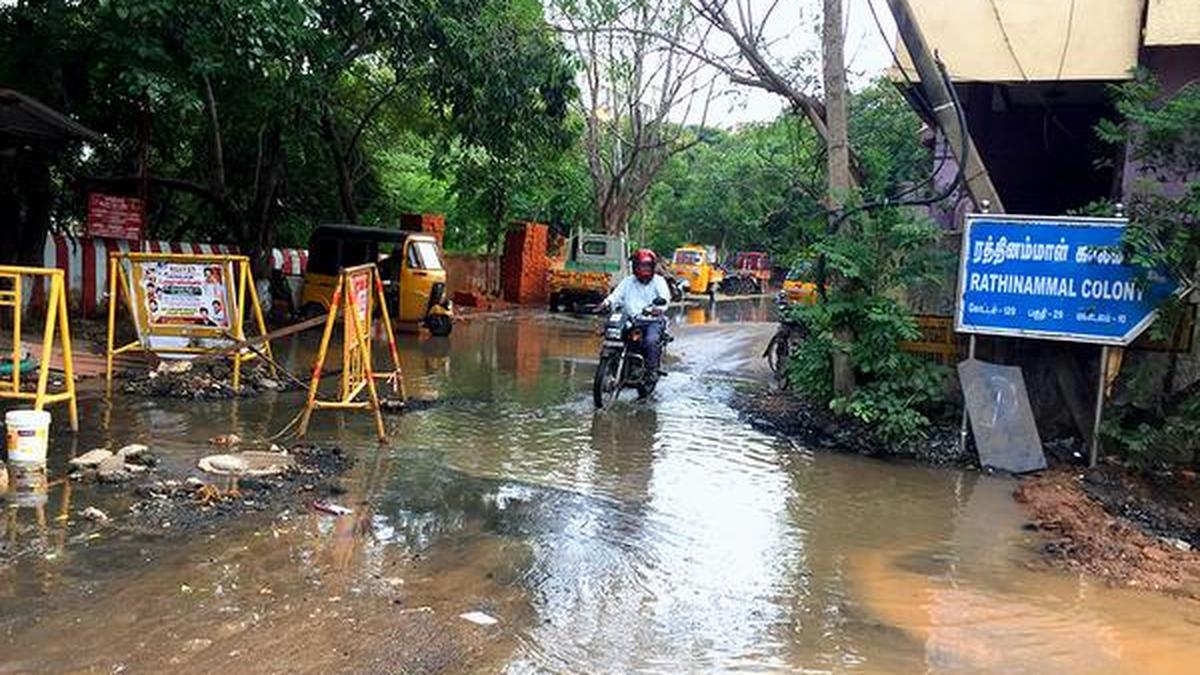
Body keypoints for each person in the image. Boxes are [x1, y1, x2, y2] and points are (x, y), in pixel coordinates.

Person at [599, 248, 671, 382]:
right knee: (615, 335)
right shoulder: (628, 281)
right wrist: (606, 303)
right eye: (641, 265)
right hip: (631, 319)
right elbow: (616, 295)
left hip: (652, 321)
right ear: (635, 266)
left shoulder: (659, 281)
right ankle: (615, 365)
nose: (644, 269)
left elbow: (664, 299)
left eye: (647, 266)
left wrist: (658, 309)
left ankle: (651, 371)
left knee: (650, 341)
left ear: (653, 266)